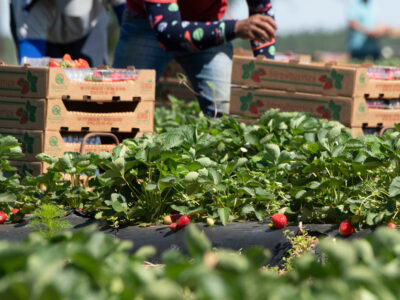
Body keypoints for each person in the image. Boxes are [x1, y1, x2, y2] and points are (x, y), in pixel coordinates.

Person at [113, 0, 277, 117]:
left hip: (209, 22)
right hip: (147, 24)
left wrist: (266, 74)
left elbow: (262, 13)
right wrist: (234, 28)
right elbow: (169, 33)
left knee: (227, 114)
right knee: (121, 110)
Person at [9, 0, 126, 67]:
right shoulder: (27, 4)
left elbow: (129, 21)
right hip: (42, 34)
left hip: (91, 28)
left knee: (96, 88)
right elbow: (30, 65)